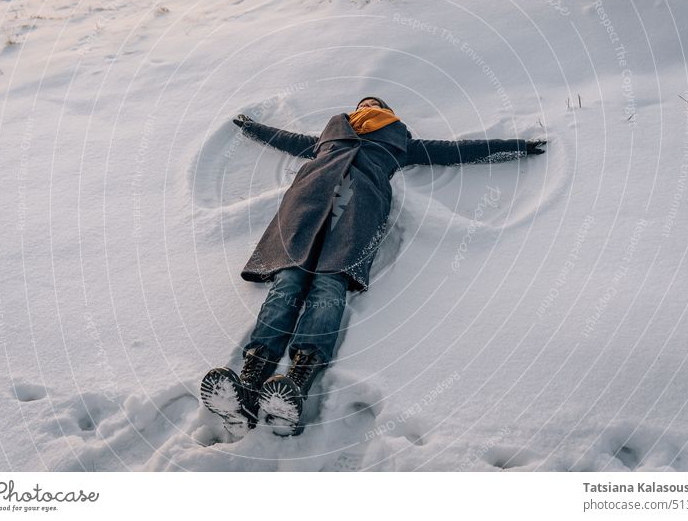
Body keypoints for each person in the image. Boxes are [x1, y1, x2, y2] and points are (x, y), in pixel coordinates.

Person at [201, 97, 547, 436]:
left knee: (328, 285)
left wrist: (520, 147)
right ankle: (249, 382)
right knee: (287, 282)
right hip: (305, 209)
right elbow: (286, 139)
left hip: (357, 213)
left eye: (376, 106)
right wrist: (251, 128)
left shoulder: (400, 142)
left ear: (388, 113)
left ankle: (297, 381)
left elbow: (457, 151)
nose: (369, 109)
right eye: (365, 105)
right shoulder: (332, 133)